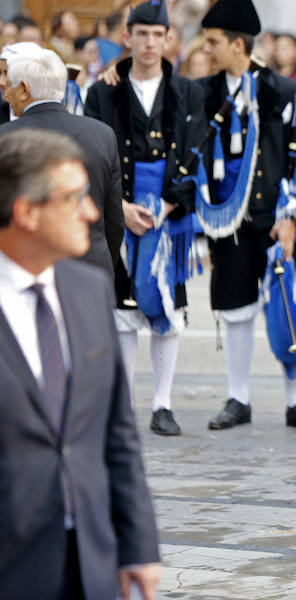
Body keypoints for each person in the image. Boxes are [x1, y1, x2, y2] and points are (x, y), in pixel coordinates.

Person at [0, 128, 161, 600]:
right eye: (74, 199)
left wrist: (138, 545)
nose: (93, 213)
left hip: (93, 561)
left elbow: (117, 431)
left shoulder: (89, 289)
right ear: (26, 212)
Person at [198, 0, 296, 432]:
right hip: (228, 219)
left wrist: (291, 214)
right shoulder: (203, 92)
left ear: (238, 44)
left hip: (276, 218)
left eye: (214, 42)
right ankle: (239, 398)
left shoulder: (284, 91)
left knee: (289, 303)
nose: (207, 49)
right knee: (236, 307)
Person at [85, 0, 205, 436]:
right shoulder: (103, 91)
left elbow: (198, 152)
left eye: (158, 35)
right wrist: (118, 207)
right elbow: (91, 157)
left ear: (169, 38)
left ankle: (162, 403)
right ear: (127, 37)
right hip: (118, 212)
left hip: (167, 216)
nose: (150, 43)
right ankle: (122, 404)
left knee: (166, 309)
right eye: (142, 34)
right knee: (121, 311)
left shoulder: (189, 91)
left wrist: (167, 205)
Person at [0, 44, 124, 282]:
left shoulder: (5, 138)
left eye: (11, 88)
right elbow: (114, 221)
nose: (6, 95)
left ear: (24, 90)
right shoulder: (103, 134)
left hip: (25, 276)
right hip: (92, 271)